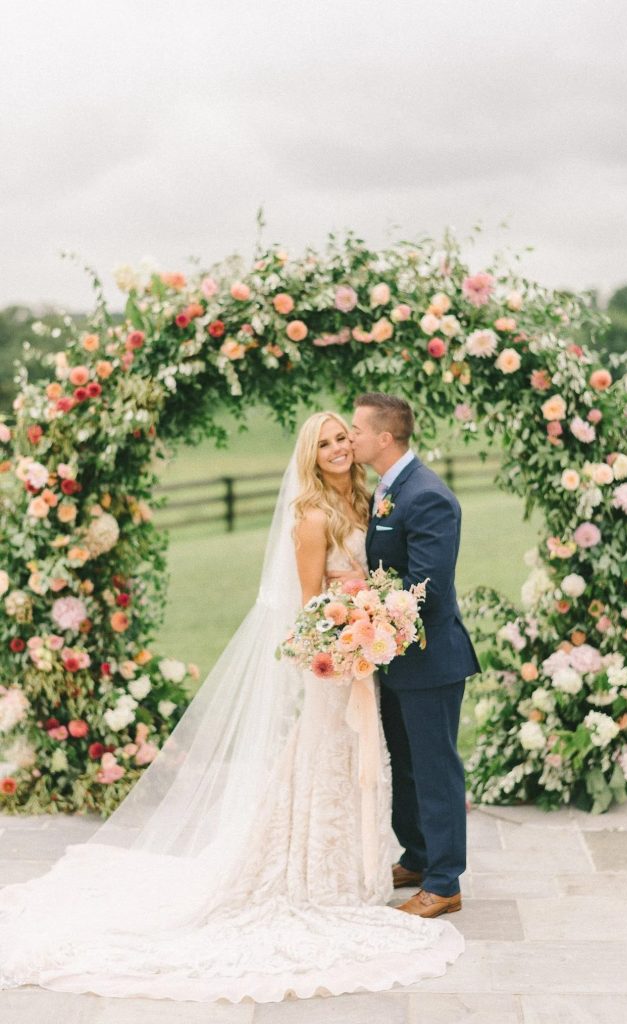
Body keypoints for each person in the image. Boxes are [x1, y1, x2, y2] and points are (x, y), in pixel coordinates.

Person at [0, 410, 463, 1004]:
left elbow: (396, 572)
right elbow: (309, 601)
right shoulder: (312, 514)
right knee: (328, 759)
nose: (339, 447)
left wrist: (371, 625)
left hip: (369, 656)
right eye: (325, 443)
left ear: (366, 439)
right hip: (341, 657)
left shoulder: (374, 499)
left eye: (344, 436)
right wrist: (343, 630)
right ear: (310, 455)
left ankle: (377, 862)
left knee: (368, 760)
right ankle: (316, 869)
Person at [333, 393, 480, 918]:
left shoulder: (427, 496)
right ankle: (418, 857)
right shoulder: (388, 489)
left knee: (435, 768)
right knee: (409, 767)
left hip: (431, 659)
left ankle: (444, 884)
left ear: (384, 438)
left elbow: (429, 589)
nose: (350, 438)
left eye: (356, 430)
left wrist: (369, 617)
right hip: (395, 659)